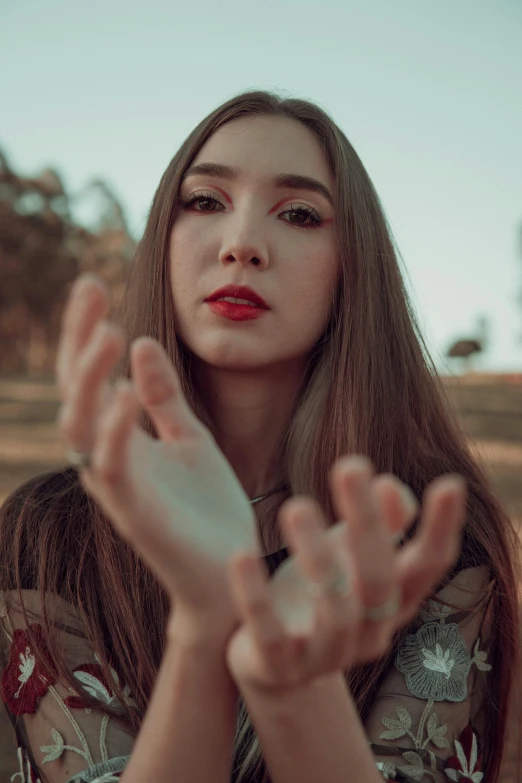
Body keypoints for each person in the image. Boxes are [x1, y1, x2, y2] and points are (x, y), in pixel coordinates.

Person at [0, 89, 520, 783]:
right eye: (206, 201)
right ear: (163, 239)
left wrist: (294, 686)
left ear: (352, 269)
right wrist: (205, 622)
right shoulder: (44, 532)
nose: (241, 243)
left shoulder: (428, 544)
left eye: (300, 214)